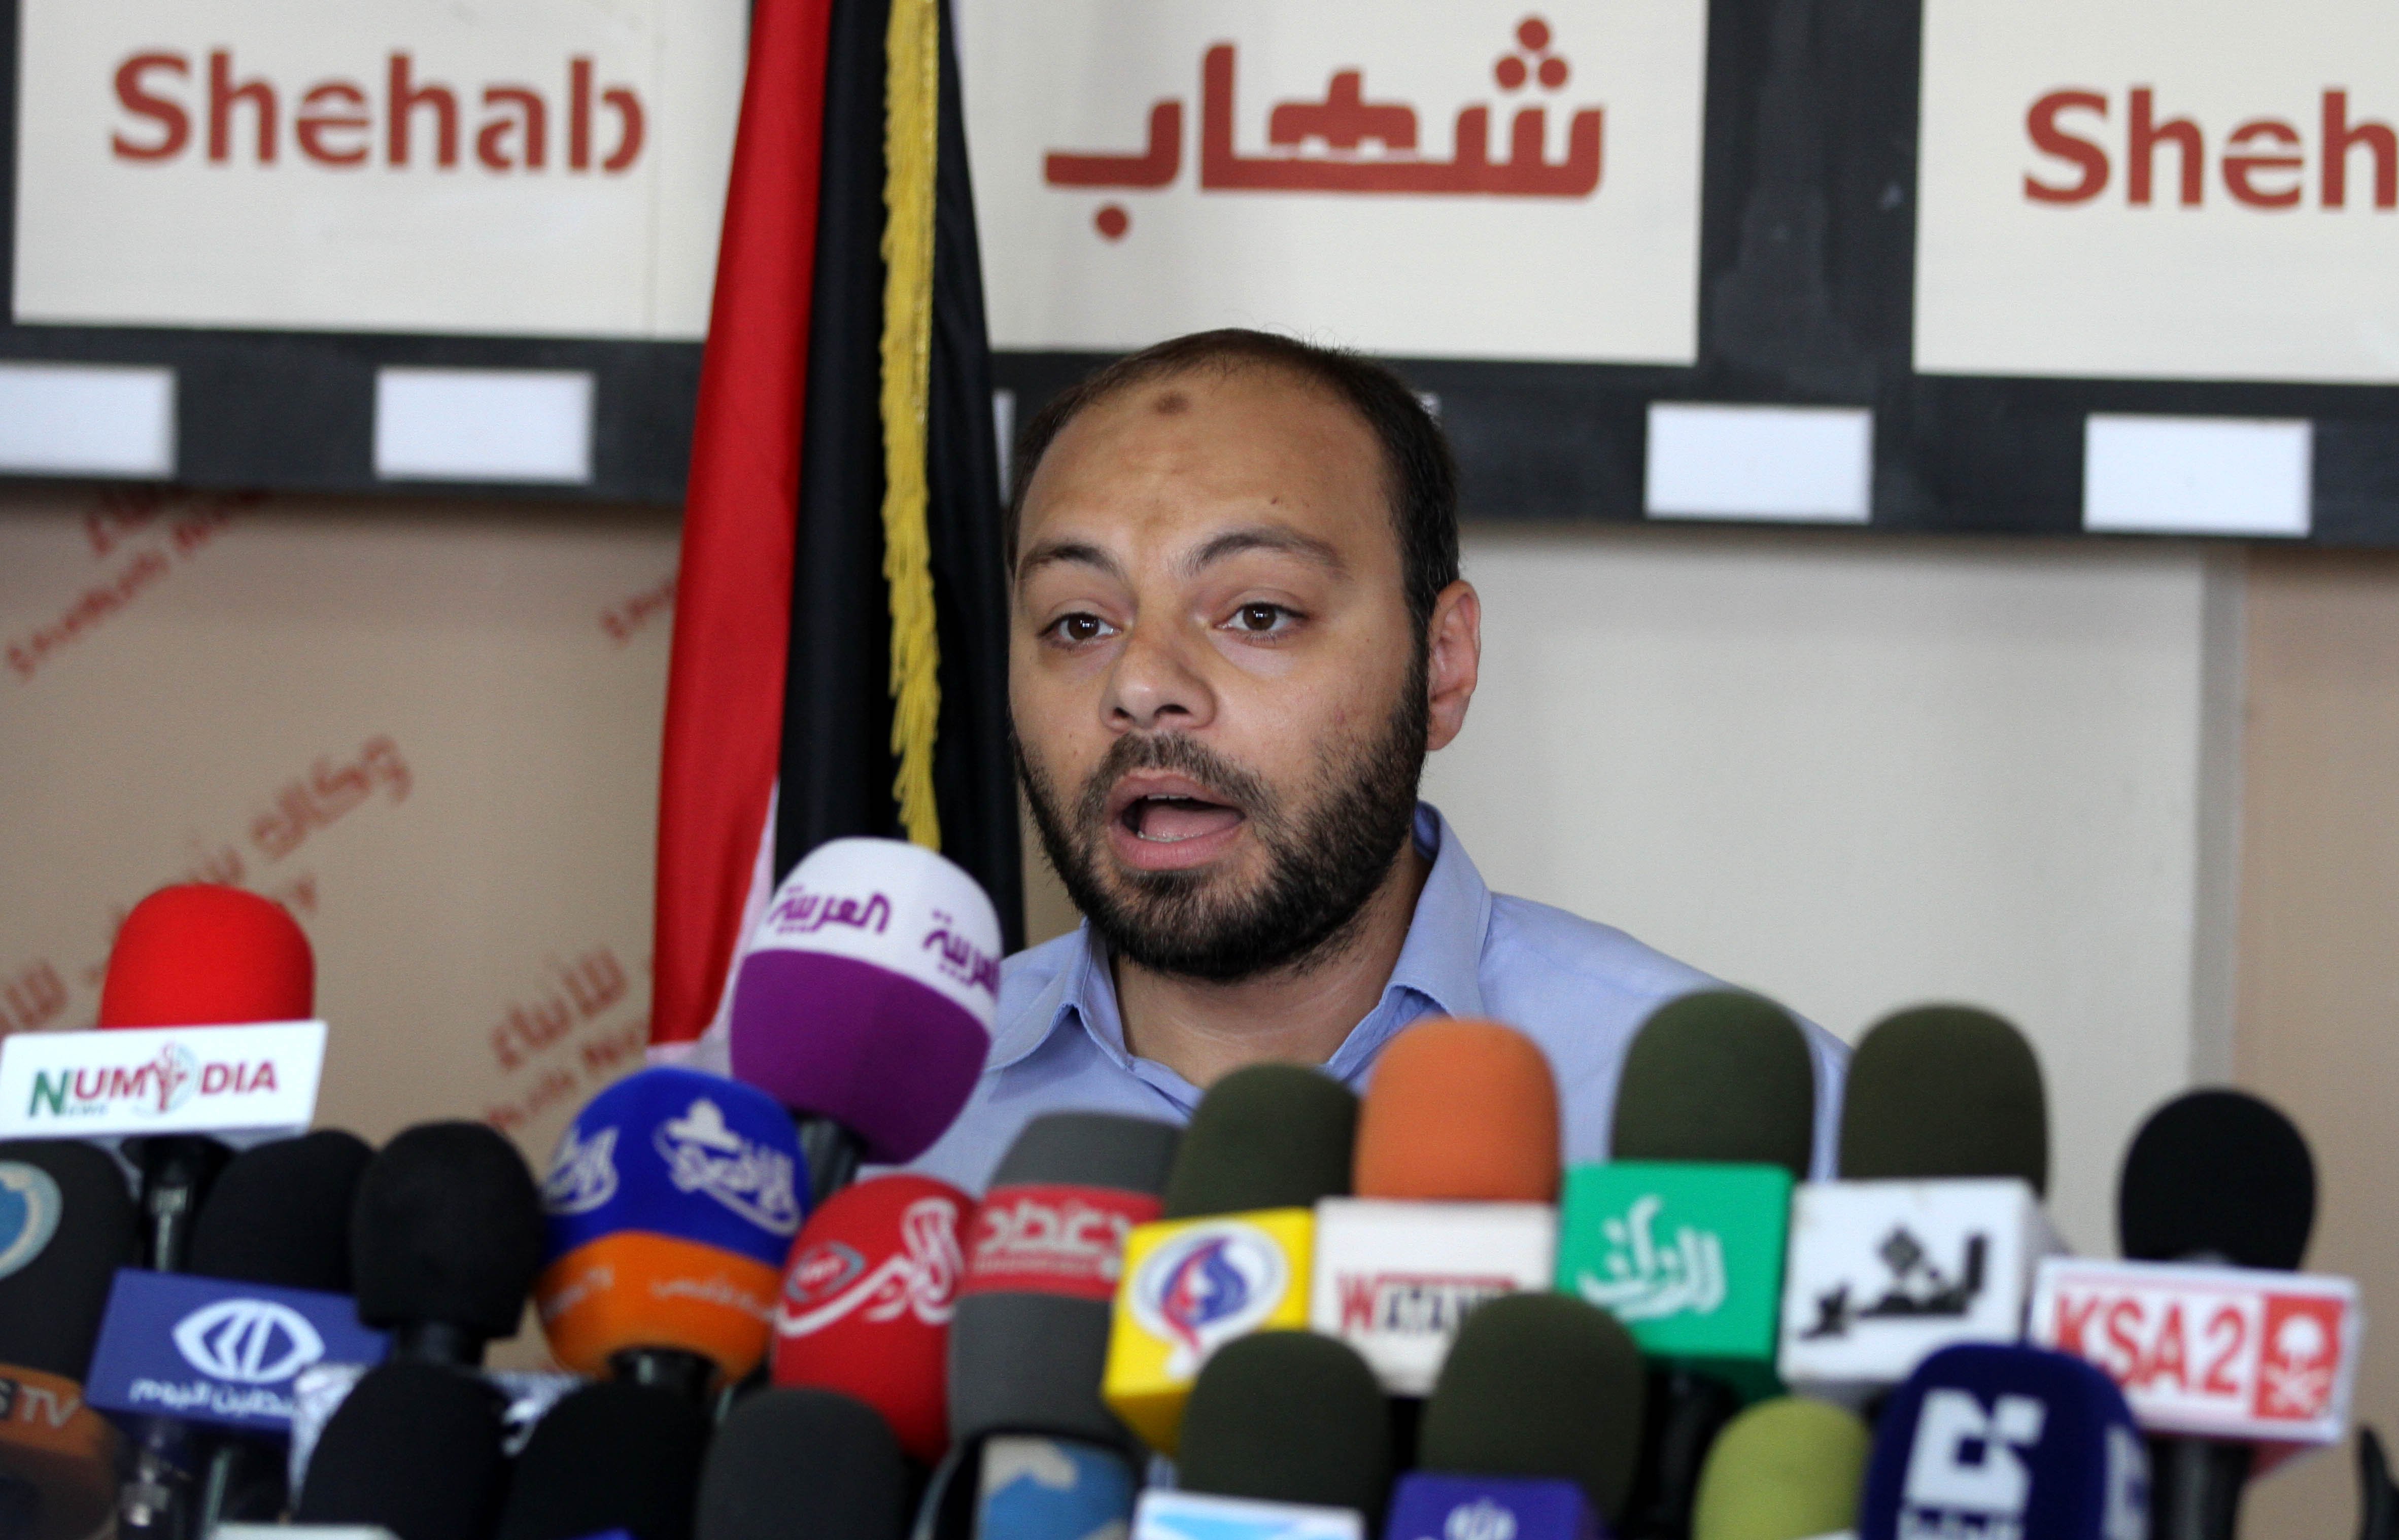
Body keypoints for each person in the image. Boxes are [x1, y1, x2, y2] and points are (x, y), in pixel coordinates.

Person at [907, 328, 1845, 1193]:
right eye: (1079, 624)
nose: (1141, 684)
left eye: (1258, 614)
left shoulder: (1754, 1133)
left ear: (1443, 665)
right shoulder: (890, 1127)